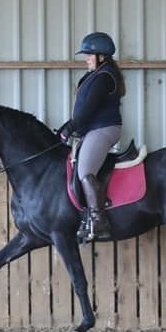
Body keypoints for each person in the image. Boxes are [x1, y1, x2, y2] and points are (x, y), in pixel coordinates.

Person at [58, 31, 126, 241]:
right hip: (92, 129)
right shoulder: (96, 75)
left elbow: (88, 110)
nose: (86, 58)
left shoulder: (104, 77)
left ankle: (99, 222)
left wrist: (70, 128)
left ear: (101, 56)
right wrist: (67, 127)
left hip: (103, 128)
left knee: (85, 170)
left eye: (89, 55)